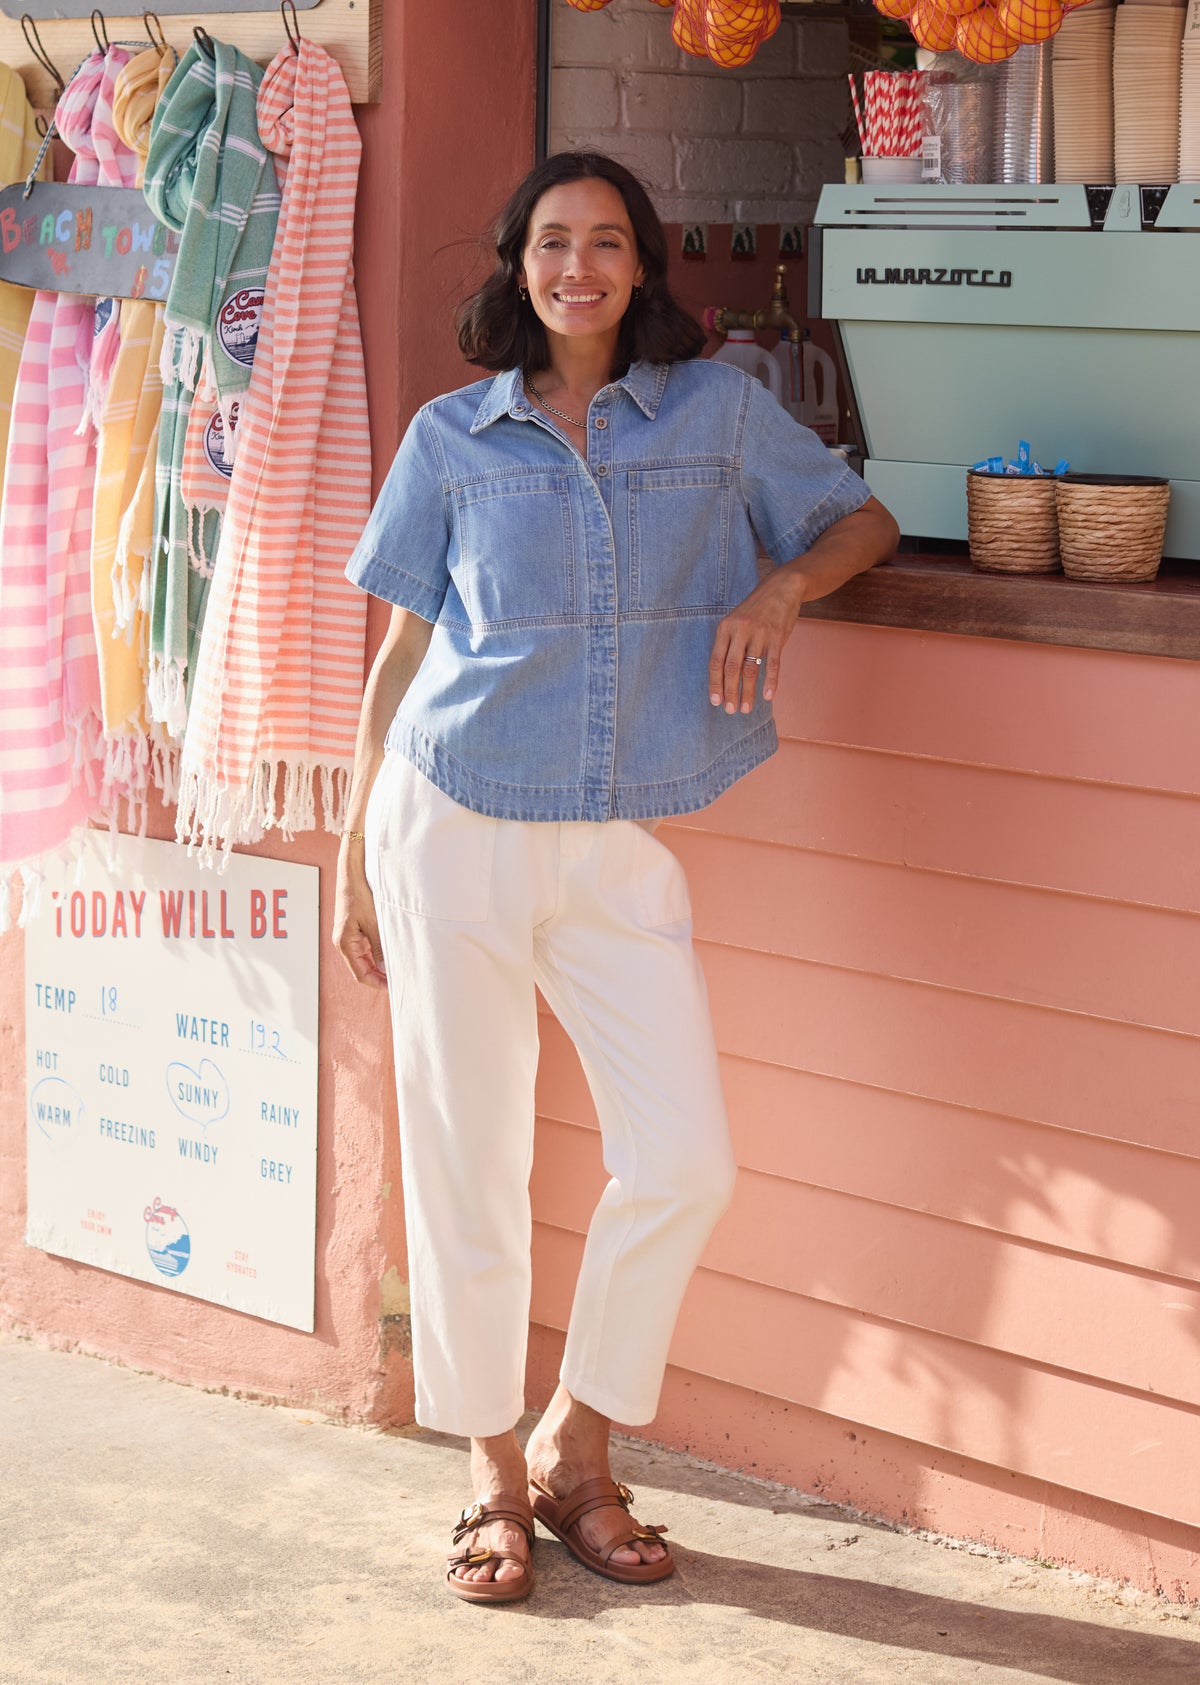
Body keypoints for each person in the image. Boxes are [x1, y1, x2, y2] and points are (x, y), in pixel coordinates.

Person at [335, 151, 898, 1606]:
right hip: (447, 814)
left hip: (612, 841)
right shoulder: (454, 438)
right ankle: (486, 1467)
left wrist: (781, 587)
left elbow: (861, 519)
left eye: (603, 242)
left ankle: (578, 1441)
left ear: (643, 264)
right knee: (471, 1153)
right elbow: (401, 654)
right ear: (515, 265)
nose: (575, 265)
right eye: (549, 242)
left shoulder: (717, 415)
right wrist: (354, 840)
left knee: (687, 1157)